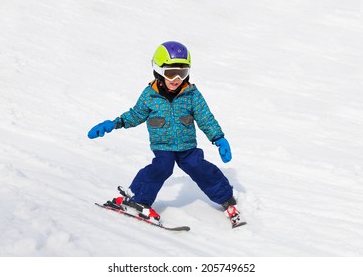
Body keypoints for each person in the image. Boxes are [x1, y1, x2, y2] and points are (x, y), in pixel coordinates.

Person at [88, 41, 245, 228]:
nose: (176, 78)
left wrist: (218, 138)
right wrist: (114, 123)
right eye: (171, 73)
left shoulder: (192, 94)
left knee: (199, 167)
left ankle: (226, 198)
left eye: (183, 72)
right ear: (158, 71)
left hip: (187, 146)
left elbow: (205, 118)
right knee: (162, 167)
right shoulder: (150, 95)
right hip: (163, 146)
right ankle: (138, 199)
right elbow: (136, 114)